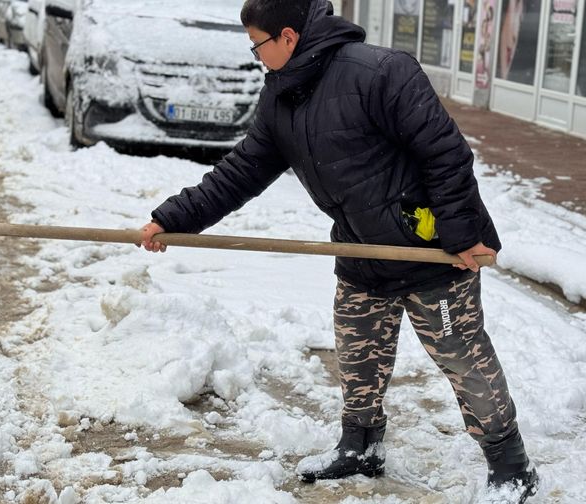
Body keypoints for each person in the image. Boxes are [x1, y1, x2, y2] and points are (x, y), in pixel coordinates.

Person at [139, 0, 538, 501]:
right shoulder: (281, 99)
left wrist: (461, 235)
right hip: (361, 251)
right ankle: (361, 447)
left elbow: (446, 152)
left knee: (463, 359)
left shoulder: (382, 72)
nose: (256, 56)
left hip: (428, 251)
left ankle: (511, 466)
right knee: (358, 360)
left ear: (288, 37)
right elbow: (241, 173)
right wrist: (173, 218)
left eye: (258, 45)